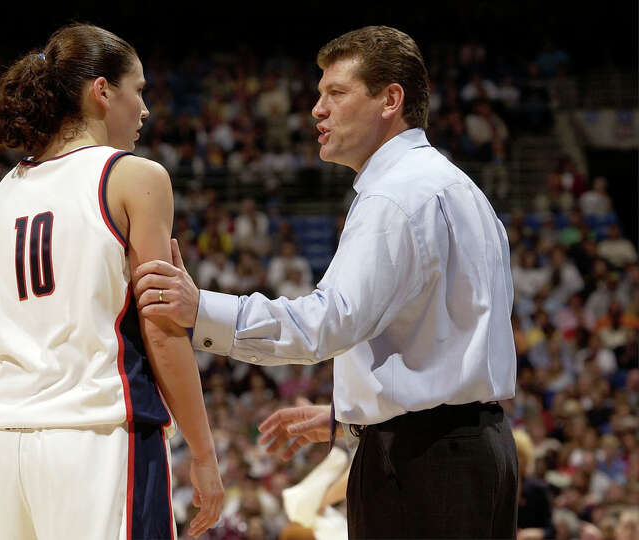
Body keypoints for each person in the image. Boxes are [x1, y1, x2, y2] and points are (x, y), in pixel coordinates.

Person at [134, 26, 518, 538]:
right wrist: (354, 412)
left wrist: (200, 310)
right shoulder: (458, 186)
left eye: (336, 93)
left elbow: (325, 325)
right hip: (479, 451)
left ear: (390, 100)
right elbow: (444, 340)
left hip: (422, 463)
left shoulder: (393, 196)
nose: (317, 109)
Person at [0, 24, 222, 540]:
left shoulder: (2, 193)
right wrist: (202, 452)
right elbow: (161, 327)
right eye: (140, 91)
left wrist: (10, 423)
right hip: (97, 435)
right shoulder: (135, 176)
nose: (145, 109)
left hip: (3, 445)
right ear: (102, 91)